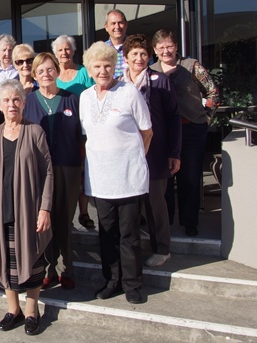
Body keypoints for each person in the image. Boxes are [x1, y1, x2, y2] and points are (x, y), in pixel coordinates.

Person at [0, 79, 54, 336]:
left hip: (29, 211)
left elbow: (48, 174)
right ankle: (13, 310)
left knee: (33, 263)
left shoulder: (35, 132)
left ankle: (32, 311)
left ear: (23, 102)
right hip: (0, 212)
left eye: (16, 99)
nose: (12, 104)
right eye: (7, 100)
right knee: (4, 263)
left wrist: (45, 209)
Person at [79, 41, 153, 304]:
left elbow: (147, 132)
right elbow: (88, 136)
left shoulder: (129, 92)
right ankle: (112, 281)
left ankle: (132, 284)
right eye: (97, 65)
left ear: (115, 66)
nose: (103, 70)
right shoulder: (85, 98)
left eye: (108, 65)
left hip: (129, 178)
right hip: (99, 181)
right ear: (89, 69)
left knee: (129, 235)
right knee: (107, 235)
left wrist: (134, 160)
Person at [150, 29, 219, 237]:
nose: (165, 50)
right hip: (164, 133)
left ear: (176, 47)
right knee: (165, 178)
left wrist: (207, 117)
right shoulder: (150, 70)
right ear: (154, 50)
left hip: (191, 128)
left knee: (190, 177)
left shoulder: (191, 66)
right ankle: (167, 221)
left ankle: (190, 222)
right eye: (161, 47)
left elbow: (213, 91)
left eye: (169, 46)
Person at [23, 52, 83, 290]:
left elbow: (82, 137)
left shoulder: (72, 99)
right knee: (44, 220)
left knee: (65, 219)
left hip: (69, 167)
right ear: (35, 75)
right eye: (40, 71)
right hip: (39, 172)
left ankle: (66, 268)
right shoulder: (28, 101)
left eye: (50, 69)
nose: (45, 74)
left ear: (57, 71)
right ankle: (48, 267)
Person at [121, 34, 182, 266]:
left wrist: (174, 152)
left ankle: (162, 249)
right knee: (131, 205)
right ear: (126, 57)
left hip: (155, 153)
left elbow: (174, 118)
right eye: (134, 54)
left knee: (155, 202)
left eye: (143, 54)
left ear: (149, 56)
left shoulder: (160, 80)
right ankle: (132, 250)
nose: (139, 58)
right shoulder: (118, 83)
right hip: (127, 155)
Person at [52, 34, 96, 230]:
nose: (64, 52)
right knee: (67, 175)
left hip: (83, 131)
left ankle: (84, 212)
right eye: (60, 49)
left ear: (74, 51)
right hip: (61, 133)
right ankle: (67, 214)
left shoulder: (84, 73)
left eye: (67, 48)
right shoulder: (53, 74)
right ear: (55, 53)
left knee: (83, 172)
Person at [104, 9, 128, 79]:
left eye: (120, 23)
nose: (117, 27)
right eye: (113, 23)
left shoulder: (137, 47)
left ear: (126, 25)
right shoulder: (100, 50)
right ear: (106, 27)